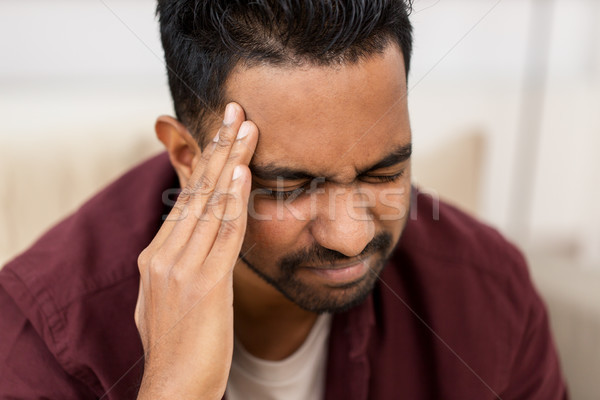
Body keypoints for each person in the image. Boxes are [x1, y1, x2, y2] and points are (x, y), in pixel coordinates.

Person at [0, 1, 568, 399]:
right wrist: (175, 390)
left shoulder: (490, 294)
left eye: (382, 173)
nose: (349, 238)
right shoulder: (50, 336)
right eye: (289, 188)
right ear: (189, 158)